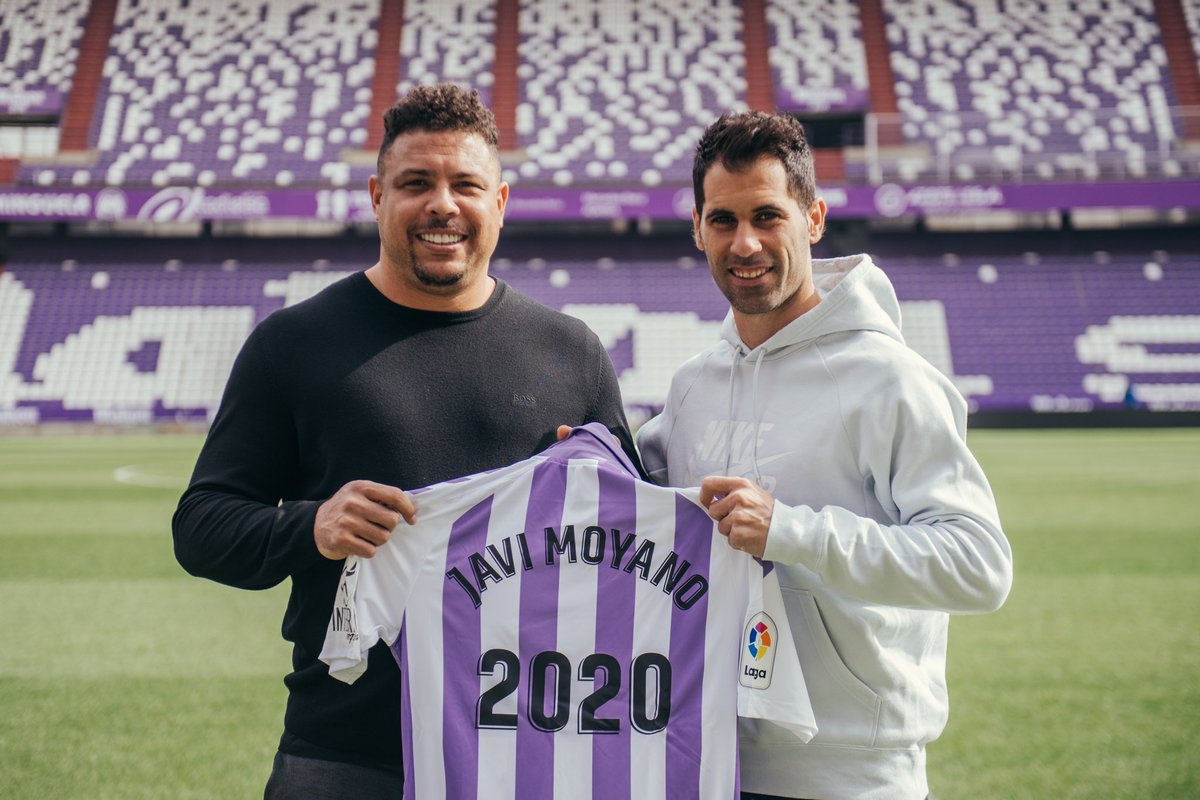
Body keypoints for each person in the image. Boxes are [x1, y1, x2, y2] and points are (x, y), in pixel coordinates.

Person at [172, 83, 639, 799]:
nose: (442, 205)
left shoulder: (569, 352)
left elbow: (629, 554)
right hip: (347, 753)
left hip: (530, 753)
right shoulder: (294, 344)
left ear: (502, 203)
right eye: (416, 183)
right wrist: (312, 526)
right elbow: (201, 526)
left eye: (466, 185)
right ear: (376, 196)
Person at [636, 110, 1013, 800]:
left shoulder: (889, 379)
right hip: (704, 763)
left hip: (856, 778)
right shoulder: (692, 386)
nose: (745, 242)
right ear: (697, 227)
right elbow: (623, 491)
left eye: (767, 216)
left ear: (813, 218)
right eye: (723, 220)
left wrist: (793, 531)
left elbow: (980, 566)